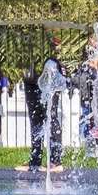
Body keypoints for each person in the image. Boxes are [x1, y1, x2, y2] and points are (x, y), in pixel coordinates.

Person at [24, 42, 68, 173]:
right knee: (35, 118)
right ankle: (35, 160)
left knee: (50, 116)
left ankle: (56, 160)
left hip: (49, 72)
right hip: (31, 76)